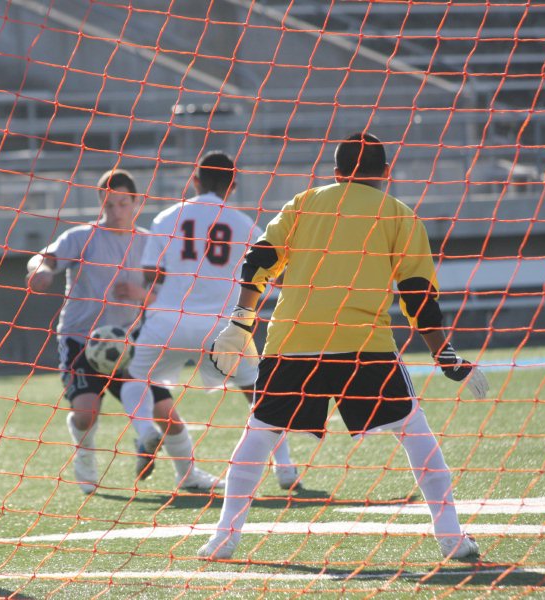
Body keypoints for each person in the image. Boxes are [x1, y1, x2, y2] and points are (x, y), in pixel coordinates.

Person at [200, 133, 489, 560]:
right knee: (415, 433)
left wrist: (241, 322)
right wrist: (444, 355)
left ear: (335, 172)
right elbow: (418, 296)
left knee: (258, 435)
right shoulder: (399, 215)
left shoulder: (303, 202)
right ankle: (451, 538)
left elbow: (258, 259)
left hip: (294, 342)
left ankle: (224, 538)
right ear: (386, 172)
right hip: (364, 347)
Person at [120, 152, 298, 493]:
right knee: (257, 394)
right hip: (223, 328)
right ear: (232, 186)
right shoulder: (244, 224)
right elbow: (275, 272)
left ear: (194, 180)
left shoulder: (168, 216)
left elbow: (149, 271)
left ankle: (146, 434)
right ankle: (285, 468)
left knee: (134, 379)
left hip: (168, 321)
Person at [26, 169, 182, 495]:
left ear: (136, 202)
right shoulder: (81, 237)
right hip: (81, 340)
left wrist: (142, 295)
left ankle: (189, 474)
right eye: (108, 205)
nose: (115, 212)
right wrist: (40, 271)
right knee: (85, 414)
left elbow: (168, 296)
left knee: (168, 415)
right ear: (101, 204)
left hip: (130, 342)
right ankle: (86, 467)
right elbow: (43, 258)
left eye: (122, 204)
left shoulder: (149, 244)